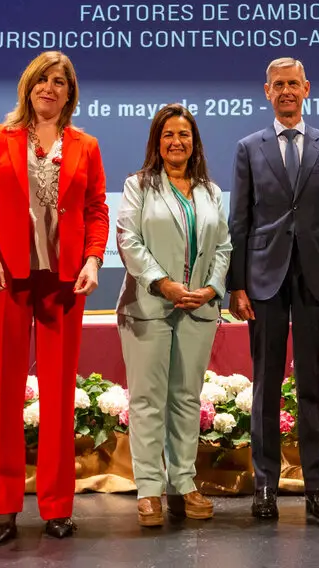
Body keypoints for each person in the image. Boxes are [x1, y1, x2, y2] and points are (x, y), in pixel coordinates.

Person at [0, 51, 109, 544]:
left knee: (59, 396)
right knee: (3, 392)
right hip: (8, 280)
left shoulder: (85, 145)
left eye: (60, 82)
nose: (50, 87)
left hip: (64, 282)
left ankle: (56, 506)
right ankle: (4, 505)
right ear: (28, 87)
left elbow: (96, 210)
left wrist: (92, 258)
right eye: (43, 80)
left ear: (71, 93)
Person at [227, 57, 319, 522]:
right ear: (266, 91)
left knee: (312, 385)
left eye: (293, 84)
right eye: (277, 84)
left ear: (307, 88)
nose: (285, 91)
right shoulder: (248, 147)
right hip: (263, 282)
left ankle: (317, 486)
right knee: (265, 387)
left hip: (316, 283)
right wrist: (236, 285)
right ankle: (265, 485)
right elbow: (239, 220)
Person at [115, 103, 232, 527]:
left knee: (185, 399)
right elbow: (128, 239)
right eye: (168, 135)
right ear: (157, 142)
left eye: (184, 134)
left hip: (198, 309)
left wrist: (211, 288)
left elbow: (224, 247)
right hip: (149, 306)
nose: (176, 141)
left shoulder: (211, 192)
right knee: (147, 401)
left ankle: (183, 483)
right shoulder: (138, 186)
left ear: (194, 142)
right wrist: (162, 283)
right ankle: (148, 489)